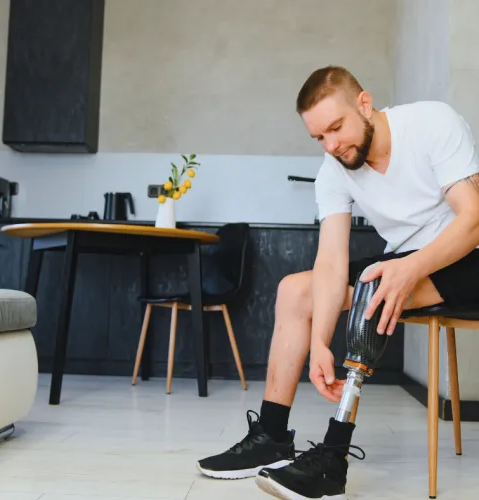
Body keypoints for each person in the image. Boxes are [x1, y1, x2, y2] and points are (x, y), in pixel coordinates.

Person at [196, 65, 479, 499]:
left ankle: (334, 457)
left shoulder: (429, 123)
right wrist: (320, 342)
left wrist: (412, 267)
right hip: (404, 261)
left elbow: (473, 219)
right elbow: (330, 263)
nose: (331, 146)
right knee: (296, 288)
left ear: (364, 104)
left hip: (469, 255)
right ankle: (271, 435)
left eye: (336, 128)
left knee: (374, 288)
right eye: (319, 138)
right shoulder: (335, 171)